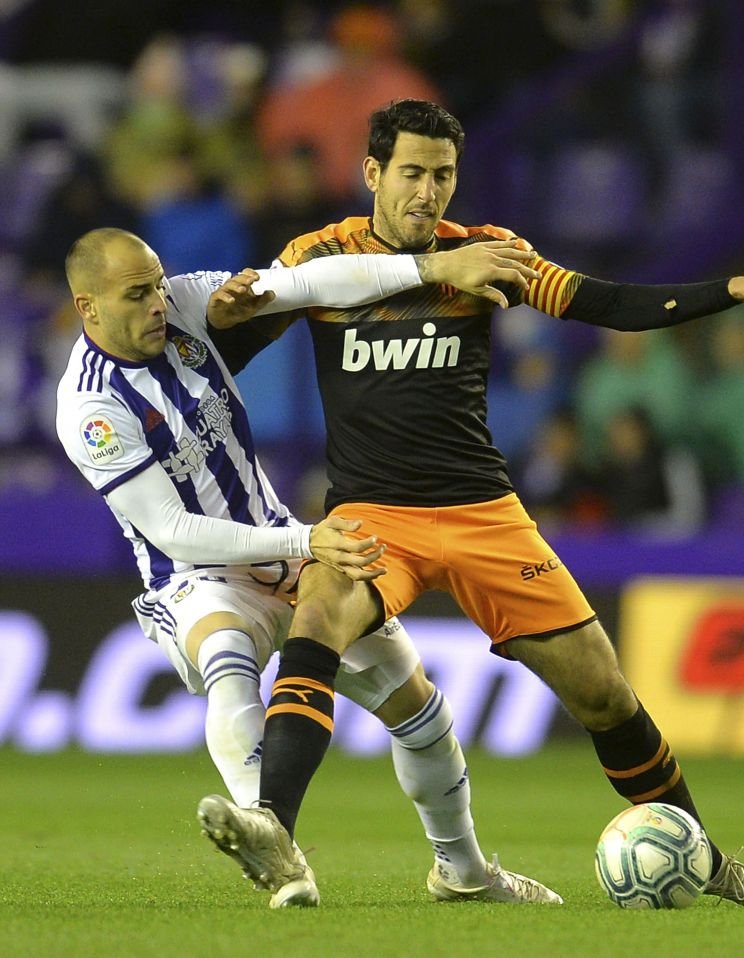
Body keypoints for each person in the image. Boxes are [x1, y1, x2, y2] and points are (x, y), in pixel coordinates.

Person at [197, 99, 744, 909]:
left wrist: (729, 289)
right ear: (373, 172)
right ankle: (273, 826)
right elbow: (230, 345)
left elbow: (606, 303)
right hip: (373, 516)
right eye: (411, 173)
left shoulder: (488, 255)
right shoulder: (321, 257)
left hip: (483, 513)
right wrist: (203, 327)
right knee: (316, 619)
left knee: (603, 692)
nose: (427, 192)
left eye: (443, 175)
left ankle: (713, 865)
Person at [55, 227, 563, 908]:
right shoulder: (89, 406)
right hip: (195, 576)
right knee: (228, 659)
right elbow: (173, 530)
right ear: (88, 307)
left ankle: (465, 872)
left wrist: (434, 266)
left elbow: (311, 283)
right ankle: (275, 847)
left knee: (420, 710)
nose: (156, 302)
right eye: (136, 293)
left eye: (157, 284)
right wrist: (305, 542)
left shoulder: (183, 303)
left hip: (285, 546)